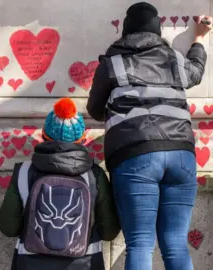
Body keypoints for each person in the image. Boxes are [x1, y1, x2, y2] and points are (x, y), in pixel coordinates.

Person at [86, 2, 212, 270]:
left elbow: (94, 110)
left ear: (125, 31)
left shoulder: (113, 64)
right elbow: (197, 72)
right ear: (157, 32)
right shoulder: (175, 59)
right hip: (181, 154)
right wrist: (200, 38)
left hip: (135, 156)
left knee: (141, 243)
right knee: (176, 243)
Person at [0, 98, 120, 270]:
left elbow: (8, 227)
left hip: (31, 263)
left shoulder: (24, 172)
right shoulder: (94, 175)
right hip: (85, 264)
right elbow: (109, 232)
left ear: (43, 136)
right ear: (83, 139)